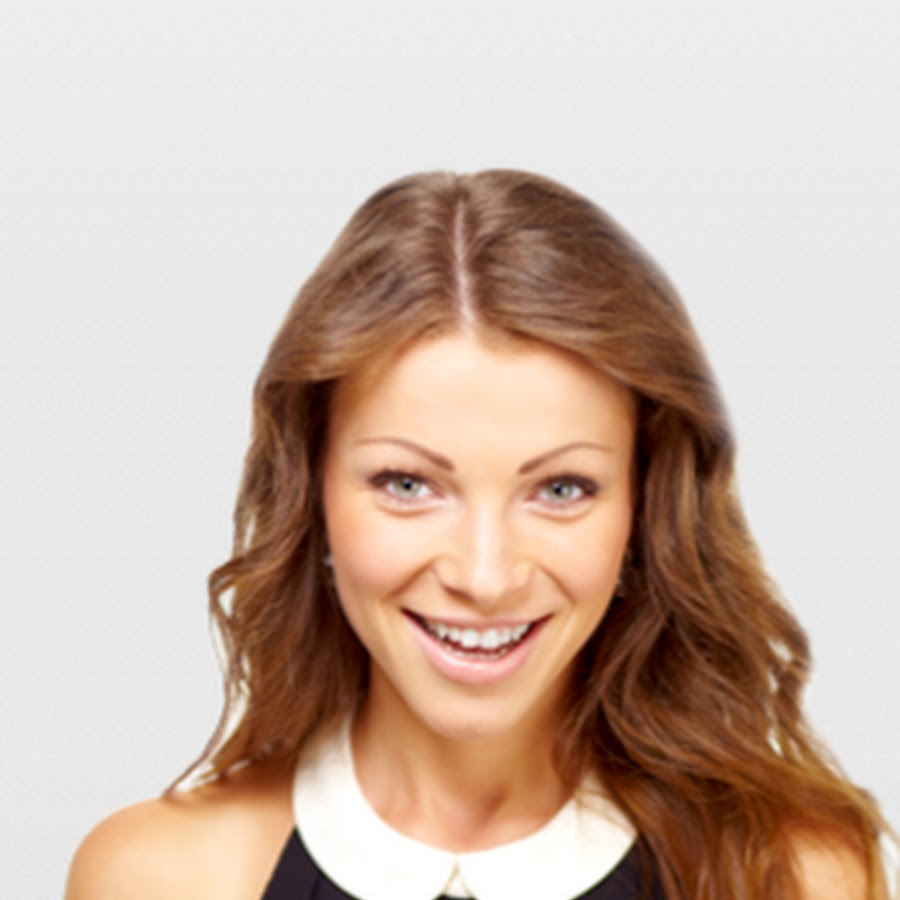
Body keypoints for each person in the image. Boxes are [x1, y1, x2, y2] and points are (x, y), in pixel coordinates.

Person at [66, 170, 893, 899]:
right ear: (309, 496)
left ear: (646, 513)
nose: (485, 575)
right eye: (408, 485)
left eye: (561, 489)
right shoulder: (159, 877)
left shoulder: (799, 877)